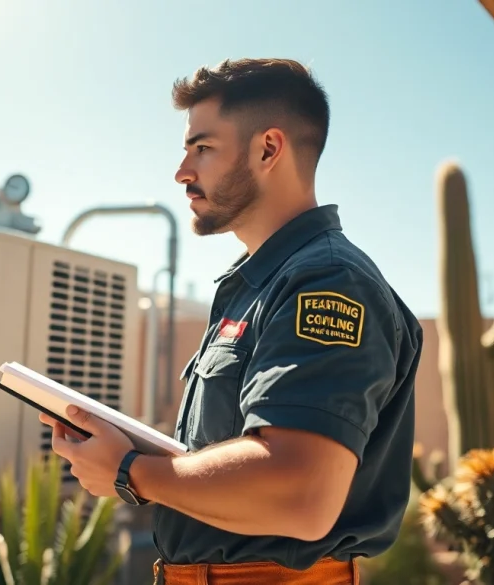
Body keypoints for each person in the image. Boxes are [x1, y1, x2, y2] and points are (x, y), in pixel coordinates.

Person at [40, 58, 424, 584]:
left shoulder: (328, 282)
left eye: (203, 147)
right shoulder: (258, 283)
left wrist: (130, 471)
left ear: (268, 148)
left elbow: (301, 492)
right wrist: (130, 451)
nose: (181, 172)